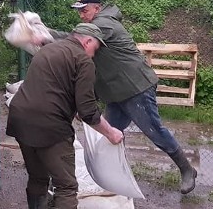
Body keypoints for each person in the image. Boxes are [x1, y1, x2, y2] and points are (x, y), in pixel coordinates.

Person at [60, 0, 198, 194]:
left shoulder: (103, 24)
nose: (81, 15)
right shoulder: (97, 23)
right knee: (109, 134)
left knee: (154, 131)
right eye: (79, 11)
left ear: (97, 9)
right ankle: (115, 177)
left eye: (84, 10)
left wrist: (42, 33)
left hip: (135, 88)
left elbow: (75, 40)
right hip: (117, 91)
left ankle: (187, 169)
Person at [7, 23, 125, 209]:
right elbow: (88, 112)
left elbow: (54, 87)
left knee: (38, 178)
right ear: (87, 41)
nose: (95, 53)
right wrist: (111, 133)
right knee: (66, 186)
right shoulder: (83, 61)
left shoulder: (48, 50)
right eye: (96, 47)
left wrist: (76, 108)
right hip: (50, 126)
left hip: (20, 119)